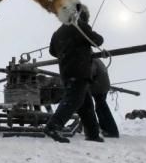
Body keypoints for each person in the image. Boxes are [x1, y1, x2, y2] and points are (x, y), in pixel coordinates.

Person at [44, 9, 105, 143]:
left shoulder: (58, 32)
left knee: (85, 103)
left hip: (66, 71)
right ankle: (53, 126)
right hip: (80, 69)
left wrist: (66, 52)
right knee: (74, 99)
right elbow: (98, 41)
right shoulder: (79, 26)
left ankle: (92, 133)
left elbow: (52, 51)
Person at [89, 59, 119, 138]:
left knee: (101, 108)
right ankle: (108, 129)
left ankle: (111, 130)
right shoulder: (96, 59)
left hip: (98, 87)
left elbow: (90, 73)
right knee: (100, 107)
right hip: (103, 86)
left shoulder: (90, 59)